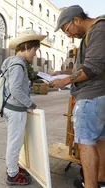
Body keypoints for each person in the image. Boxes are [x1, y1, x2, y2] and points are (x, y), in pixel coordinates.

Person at [50, 5, 105, 188]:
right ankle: (100, 182)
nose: (68, 35)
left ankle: (90, 185)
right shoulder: (93, 34)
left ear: (77, 20)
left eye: (67, 30)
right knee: (100, 142)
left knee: (86, 144)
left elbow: (91, 68)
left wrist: (65, 80)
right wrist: (61, 72)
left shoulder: (98, 29)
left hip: (91, 97)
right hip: (99, 97)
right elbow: (86, 66)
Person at [2, 29, 46, 186]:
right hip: (15, 110)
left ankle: (13, 168)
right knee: (15, 142)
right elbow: (15, 90)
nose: (35, 54)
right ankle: (12, 175)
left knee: (15, 141)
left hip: (11, 108)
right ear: (27, 47)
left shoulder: (14, 62)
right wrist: (31, 104)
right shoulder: (18, 65)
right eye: (35, 50)